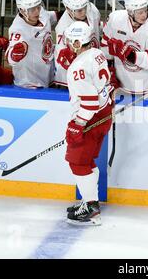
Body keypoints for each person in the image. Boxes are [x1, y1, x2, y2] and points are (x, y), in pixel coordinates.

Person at [60, 21, 113, 225]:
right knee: (87, 160)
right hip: (104, 114)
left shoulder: (77, 67)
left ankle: (91, 207)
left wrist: (77, 124)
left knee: (78, 161)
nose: (67, 44)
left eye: (70, 41)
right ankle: (88, 200)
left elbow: (89, 102)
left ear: (76, 42)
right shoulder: (97, 54)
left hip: (91, 118)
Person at [101, 0, 148, 95]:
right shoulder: (115, 19)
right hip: (122, 84)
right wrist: (109, 70)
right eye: (140, 12)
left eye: (146, 10)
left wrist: (129, 55)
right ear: (130, 12)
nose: (144, 15)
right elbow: (105, 45)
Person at [6, 0, 57, 89]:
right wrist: (15, 54)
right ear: (22, 10)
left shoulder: (40, 12)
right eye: (32, 9)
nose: (37, 11)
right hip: (30, 82)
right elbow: (10, 58)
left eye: (38, 7)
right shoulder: (18, 30)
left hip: (48, 73)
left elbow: (51, 16)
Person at [53, 0, 100, 88]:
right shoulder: (63, 28)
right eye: (79, 10)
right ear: (68, 9)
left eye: (84, 7)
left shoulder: (92, 9)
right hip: (72, 74)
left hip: (93, 65)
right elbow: (62, 56)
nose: (83, 12)